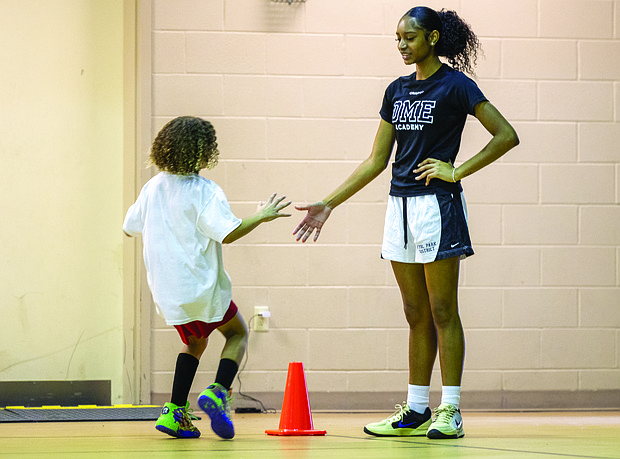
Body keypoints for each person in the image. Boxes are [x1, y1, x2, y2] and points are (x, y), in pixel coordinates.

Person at [293, 6, 518, 439]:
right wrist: (329, 203)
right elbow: (377, 160)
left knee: (442, 311)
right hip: (399, 208)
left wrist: (457, 169)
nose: (401, 44)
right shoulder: (396, 90)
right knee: (415, 313)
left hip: (438, 206)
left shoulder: (456, 85)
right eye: (397, 38)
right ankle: (416, 410)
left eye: (409, 37)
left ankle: (449, 410)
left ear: (433, 38)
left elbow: (506, 134)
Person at [123, 116, 291, 439]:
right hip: (202, 290)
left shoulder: (152, 187)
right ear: (203, 152)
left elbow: (128, 227)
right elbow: (228, 232)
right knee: (238, 333)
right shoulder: (205, 191)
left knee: (195, 342)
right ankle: (218, 390)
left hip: (168, 295)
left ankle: (174, 412)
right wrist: (261, 215)